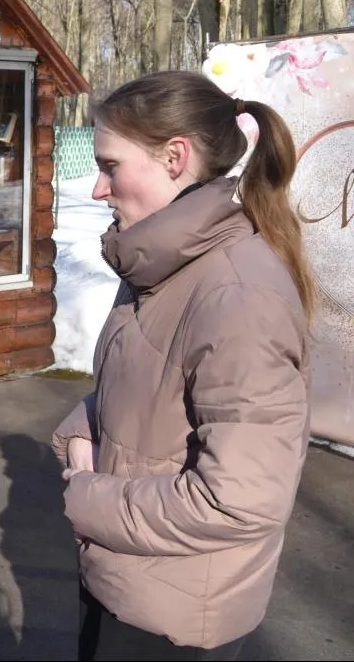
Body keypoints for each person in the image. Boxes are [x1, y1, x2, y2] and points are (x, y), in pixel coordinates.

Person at [51, 70, 315, 661]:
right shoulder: (156, 261)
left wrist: (91, 498)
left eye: (110, 165)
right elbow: (144, 388)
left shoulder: (237, 295)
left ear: (175, 157)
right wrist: (79, 433)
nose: (97, 188)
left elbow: (239, 499)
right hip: (124, 577)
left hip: (171, 619)